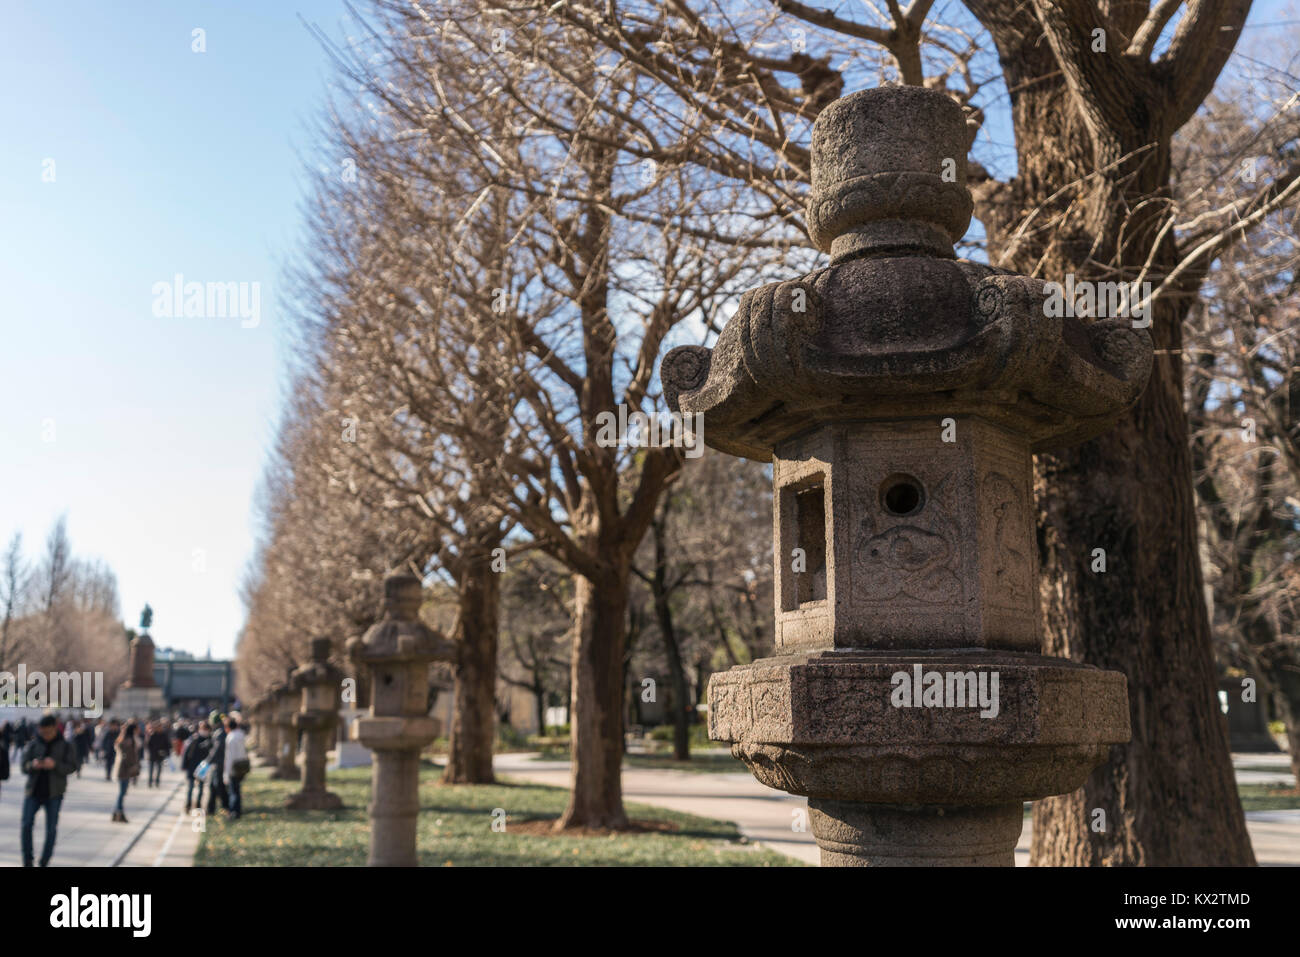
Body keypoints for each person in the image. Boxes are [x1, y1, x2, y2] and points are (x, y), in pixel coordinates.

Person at [20, 715, 79, 867]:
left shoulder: (65, 745)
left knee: (51, 830)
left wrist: (55, 765)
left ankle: (44, 861)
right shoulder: (33, 744)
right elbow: (23, 766)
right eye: (42, 732)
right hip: (33, 791)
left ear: (55, 728)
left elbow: (72, 767)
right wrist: (32, 765)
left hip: (54, 793)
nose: (44, 735)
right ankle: (28, 860)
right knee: (26, 825)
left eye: (47, 732)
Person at [112, 720, 141, 823]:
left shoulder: (124, 739)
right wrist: (134, 766)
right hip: (125, 770)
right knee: (122, 793)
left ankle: (116, 813)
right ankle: (119, 812)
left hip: (122, 769)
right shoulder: (129, 741)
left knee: (122, 792)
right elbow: (130, 757)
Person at [181, 721, 212, 812]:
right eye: (203, 729)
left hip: (203, 768)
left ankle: (198, 805)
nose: (204, 731)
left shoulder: (210, 740)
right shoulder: (194, 739)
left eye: (206, 729)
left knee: (201, 788)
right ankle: (188, 805)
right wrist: (184, 765)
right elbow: (186, 753)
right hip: (192, 767)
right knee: (190, 788)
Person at [223, 715, 248, 820]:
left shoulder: (231, 738)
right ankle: (238, 810)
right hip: (242, 765)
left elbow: (229, 757)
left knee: (233, 791)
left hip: (233, 767)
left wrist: (226, 773)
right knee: (237, 789)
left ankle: (233, 812)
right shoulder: (241, 735)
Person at [205, 712, 228, 815]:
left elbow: (217, 749)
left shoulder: (220, 733)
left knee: (218, 785)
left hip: (219, 764)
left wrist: (208, 760)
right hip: (218, 764)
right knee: (214, 786)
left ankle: (225, 806)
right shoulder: (219, 732)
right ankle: (211, 808)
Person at [147, 721, 169, 787]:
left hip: (160, 755)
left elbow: (167, 745)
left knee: (159, 770)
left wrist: (165, 752)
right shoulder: (152, 735)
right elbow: (148, 745)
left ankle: (157, 782)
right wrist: (152, 751)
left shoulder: (164, 735)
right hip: (152, 755)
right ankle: (150, 782)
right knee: (151, 770)